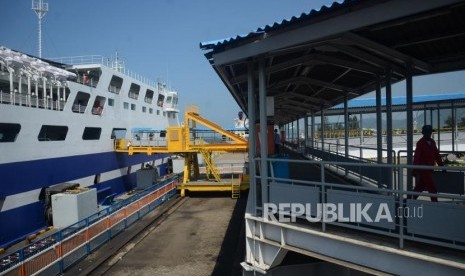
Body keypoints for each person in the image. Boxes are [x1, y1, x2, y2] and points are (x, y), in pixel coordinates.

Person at [412, 125, 444, 202]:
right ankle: (435, 202)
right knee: (431, 187)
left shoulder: (433, 142)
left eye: (429, 132)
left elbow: (437, 155)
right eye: (427, 132)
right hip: (423, 169)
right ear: (423, 133)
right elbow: (417, 157)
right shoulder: (420, 143)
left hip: (430, 168)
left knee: (420, 186)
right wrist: (415, 170)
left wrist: (441, 166)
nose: (428, 134)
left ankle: (409, 200)